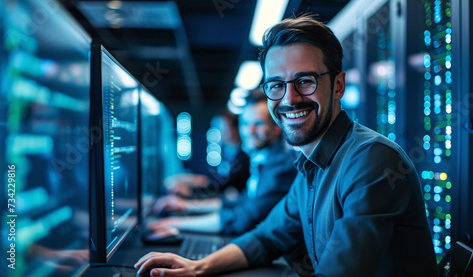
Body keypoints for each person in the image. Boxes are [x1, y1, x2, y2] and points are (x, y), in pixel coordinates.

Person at [135, 15, 438, 277]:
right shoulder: (310, 163)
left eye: (305, 81)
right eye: (276, 85)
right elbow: (266, 238)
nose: (289, 99)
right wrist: (195, 267)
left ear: (338, 86)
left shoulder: (371, 160)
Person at [149, 89, 297, 235]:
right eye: (245, 123)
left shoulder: (281, 167)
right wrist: (186, 206)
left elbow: (244, 219)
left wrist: (179, 223)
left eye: (258, 123)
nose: (249, 130)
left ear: (278, 127)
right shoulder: (263, 161)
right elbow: (239, 203)